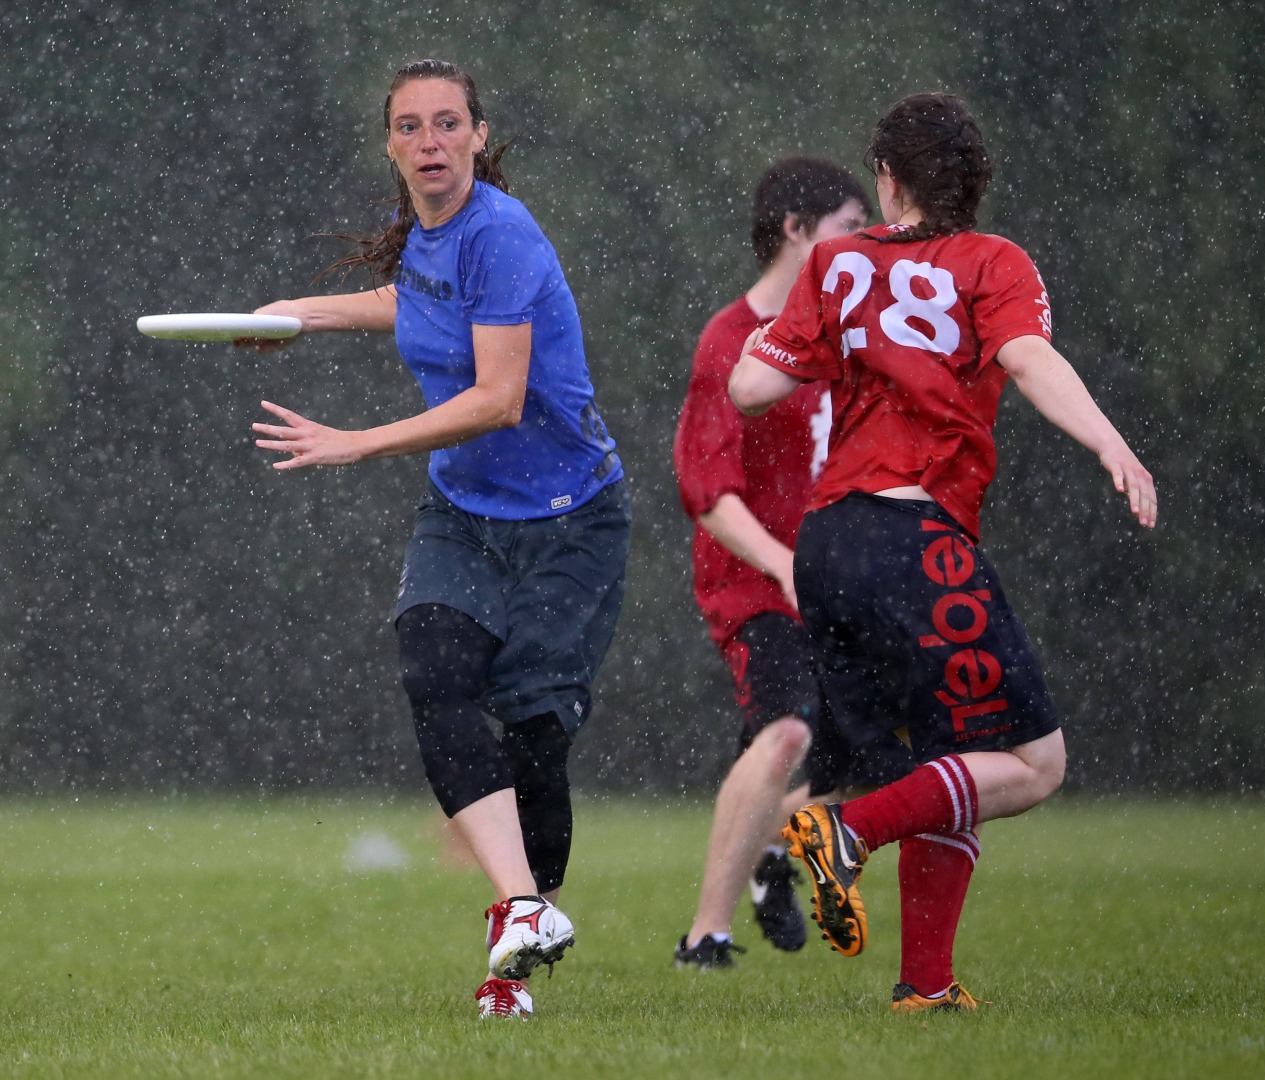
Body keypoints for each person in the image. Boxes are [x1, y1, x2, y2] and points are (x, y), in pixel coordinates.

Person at [729, 92, 1156, 1011]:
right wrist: (1109, 441)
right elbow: (1030, 360)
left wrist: (803, 330)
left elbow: (752, 386)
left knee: (949, 763)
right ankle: (846, 832)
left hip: (829, 544)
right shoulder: (993, 260)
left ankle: (925, 986)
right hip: (913, 540)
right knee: (1035, 765)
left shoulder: (836, 261)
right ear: (971, 182)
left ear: (888, 178)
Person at [242, 58, 631, 1020]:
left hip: (569, 523)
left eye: (448, 123)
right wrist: (299, 314)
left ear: (478, 137)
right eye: (410, 126)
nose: (430, 143)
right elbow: (413, 303)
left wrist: (355, 441)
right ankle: (522, 911)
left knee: (534, 736)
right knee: (434, 673)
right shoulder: (426, 235)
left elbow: (499, 399)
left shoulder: (503, 231)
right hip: (464, 514)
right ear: (390, 144)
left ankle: (514, 961)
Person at [671, 158, 914, 969]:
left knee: (889, 759)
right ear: (795, 230)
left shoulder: (847, 334)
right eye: (849, 227)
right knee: (784, 734)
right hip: (757, 586)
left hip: (836, 584)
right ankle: (705, 939)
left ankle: (773, 844)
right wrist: (782, 565)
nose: (863, 242)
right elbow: (707, 492)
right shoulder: (730, 340)